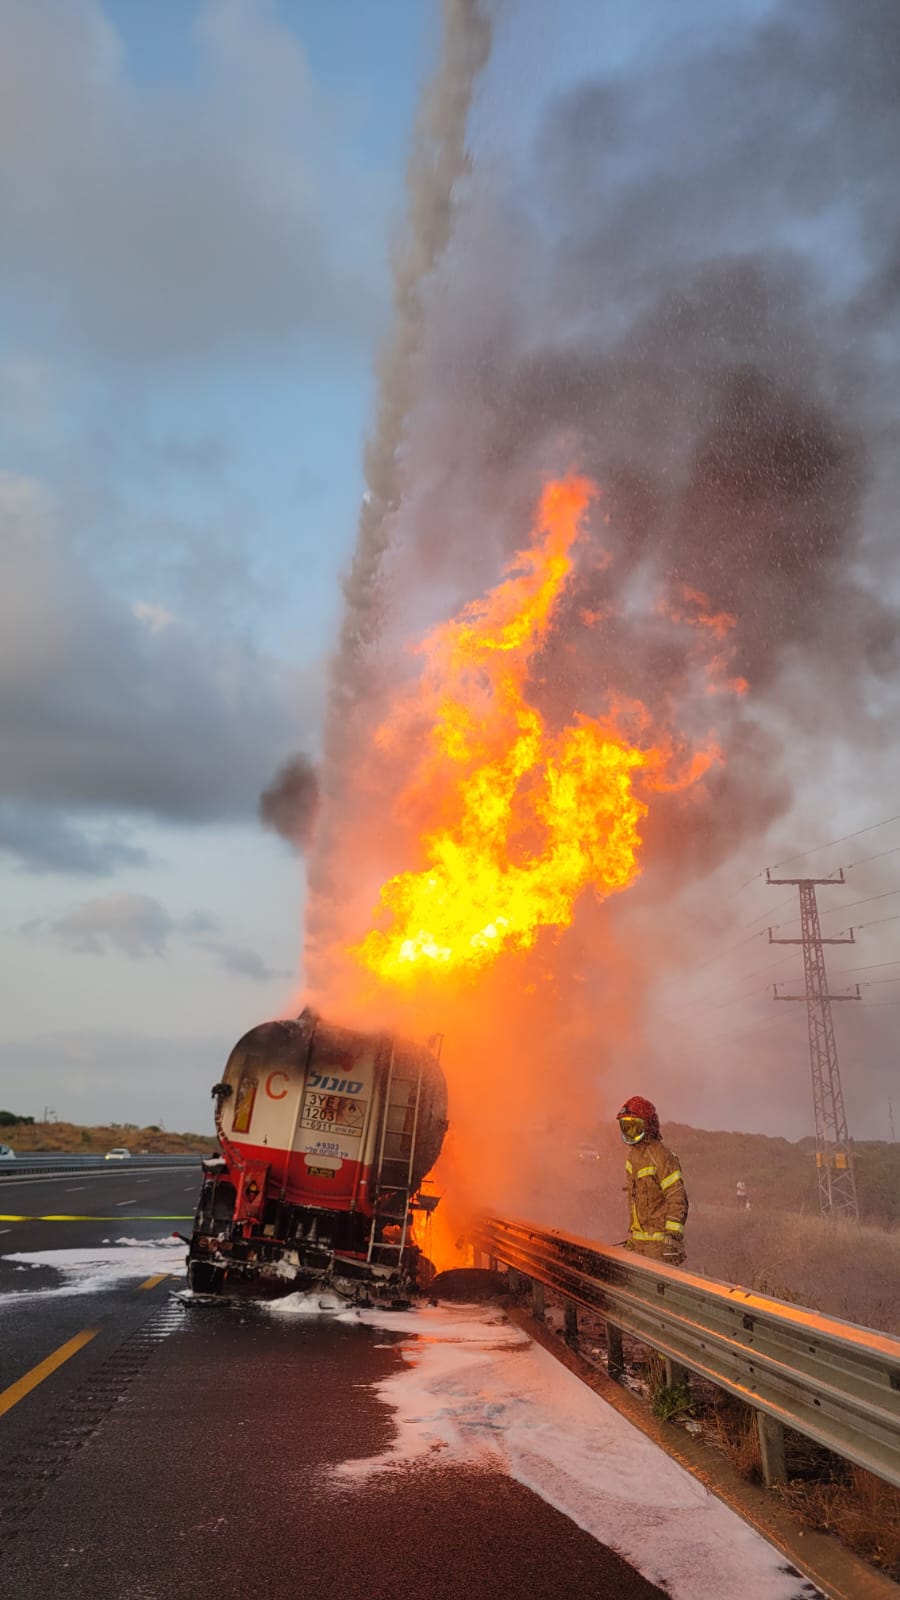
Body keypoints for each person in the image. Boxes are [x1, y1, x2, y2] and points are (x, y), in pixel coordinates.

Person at [616, 1095, 688, 1265]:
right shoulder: (632, 1158)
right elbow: (635, 1201)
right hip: (638, 1244)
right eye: (626, 1127)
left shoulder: (662, 1157)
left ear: (647, 1126)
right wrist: (634, 1239)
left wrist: (672, 1238)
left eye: (634, 1127)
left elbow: (677, 1199)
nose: (629, 1133)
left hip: (659, 1246)